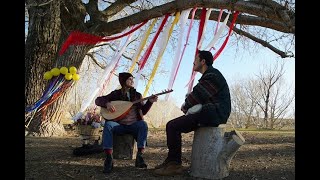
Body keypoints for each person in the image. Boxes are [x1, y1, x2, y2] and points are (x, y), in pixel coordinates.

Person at [154, 50, 231, 176]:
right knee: (172, 125)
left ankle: (174, 164)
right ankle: (171, 161)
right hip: (211, 112)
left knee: (172, 126)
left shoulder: (212, 75)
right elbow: (198, 95)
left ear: (203, 61)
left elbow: (197, 96)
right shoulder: (211, 75)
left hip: (214, 114)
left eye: (196, 59)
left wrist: (186, 105)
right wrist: (190, 102)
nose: (193, 62)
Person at [95, 72, 158, 174]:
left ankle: (140, 157)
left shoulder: (137, 95)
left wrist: (150, 102)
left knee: (143, 124)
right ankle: (109, 159)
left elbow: (144, 111)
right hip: (118, 125)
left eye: (133, 79)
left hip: (133, 125)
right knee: (108, 125)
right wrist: (107, 103)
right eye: (130, 79)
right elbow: (98, 100)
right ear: (123, 81)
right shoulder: (115, 94)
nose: (132, 81)